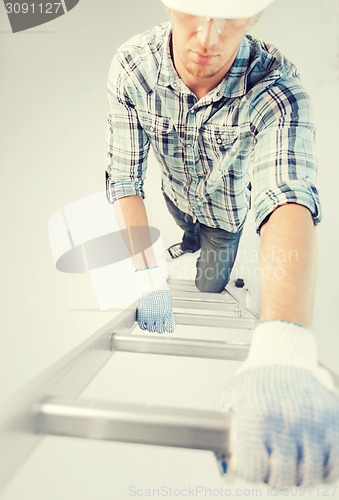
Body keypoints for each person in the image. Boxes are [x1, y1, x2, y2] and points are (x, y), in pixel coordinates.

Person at [105, 0, 339, 489]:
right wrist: (147, 277)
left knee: (210, 281)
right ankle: (185, 239)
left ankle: (201, 250)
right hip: (176, 199)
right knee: (183, 230)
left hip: (225, 218)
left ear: (255, 15)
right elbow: (125, 179)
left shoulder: (275, 87)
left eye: (229, 17)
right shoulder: (132, 67)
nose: (206, 39)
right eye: (192, 12)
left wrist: (284, 342)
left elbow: (287, 193)